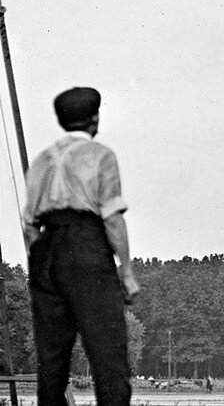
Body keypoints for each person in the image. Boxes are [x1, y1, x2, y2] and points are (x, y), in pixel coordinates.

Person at [23, 87, 140, 406]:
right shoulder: (101, 155)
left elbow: (29, 224)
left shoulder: (42, 160)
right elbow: (112, 219)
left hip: (46, 248)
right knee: (107, 354)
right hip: (87, 246)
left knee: (52, 360)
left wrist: (41, 261)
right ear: (95, 118)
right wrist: (126, 272)